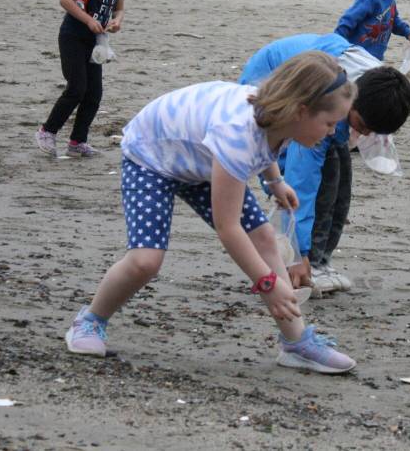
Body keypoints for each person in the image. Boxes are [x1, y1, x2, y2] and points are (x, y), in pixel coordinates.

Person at [64, 51, 359, 374]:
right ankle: (90, 320)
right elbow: (227, 227)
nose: (332, 132)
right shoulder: (237, 134)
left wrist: (275, 181)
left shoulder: (283, 117)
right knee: (145, 261)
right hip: (152, 157)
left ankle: (297, 343)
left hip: (203, 159)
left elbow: (267, 144)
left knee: (264, 238)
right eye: (329, 123)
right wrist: (266, 282)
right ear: (301, 111)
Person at [240, 33, 410, 295]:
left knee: (340, 181)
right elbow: (301, 185)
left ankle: (321, 262)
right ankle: (298, 261)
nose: (365, 135)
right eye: (362, 127)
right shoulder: (320, 109)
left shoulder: (378, 85)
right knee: (320, 183)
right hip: (270, 94)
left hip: (312, 85)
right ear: (351, 104)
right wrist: (300, 255)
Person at [36, 0, 145, 158]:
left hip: (97, 42)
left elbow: (119, 7)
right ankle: (47, 131)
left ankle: (77, 142)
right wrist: (88, 20)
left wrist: (117, 21)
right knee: (77, 88)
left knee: (94, 93)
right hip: (73, 37)